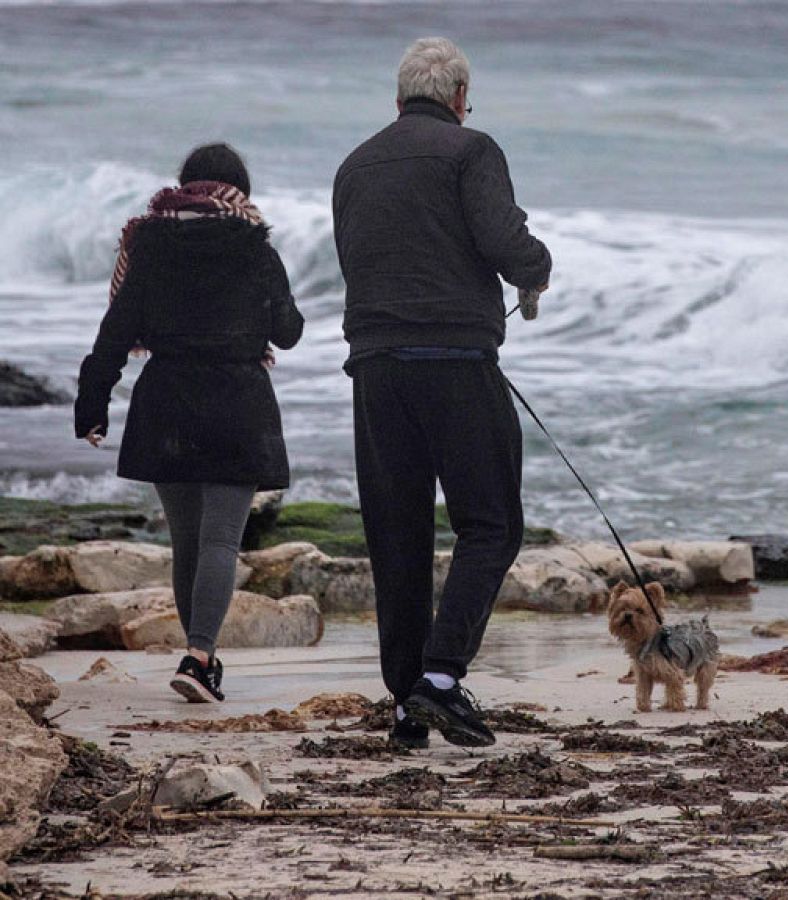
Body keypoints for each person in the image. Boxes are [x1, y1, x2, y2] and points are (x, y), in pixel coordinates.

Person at [332, 37, 551, 749]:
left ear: (398, 102)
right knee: (491, 526)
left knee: (397, 536)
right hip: (455, 361)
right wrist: (537, 265)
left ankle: (406, 706)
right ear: (459, 98)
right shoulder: (471, 150)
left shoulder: (354, 165)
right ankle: (441, 679)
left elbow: (354, 258)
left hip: (375, 369)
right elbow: (504, 243)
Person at [75, 143, 303, 703]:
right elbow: (288, 331)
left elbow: (116, 329)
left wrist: (92, 404)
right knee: (222, 539)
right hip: (236, 402)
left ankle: (202, 658)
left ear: (185, 185)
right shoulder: (254, 246)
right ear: (238, 194)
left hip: (167, 403)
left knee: (188, 544)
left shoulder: (148, 244)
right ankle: (200, 657)